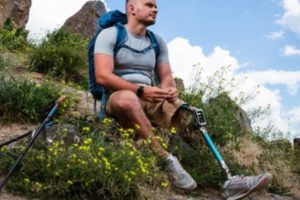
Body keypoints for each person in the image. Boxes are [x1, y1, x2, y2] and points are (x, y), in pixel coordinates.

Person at [94, 0, 272, 197]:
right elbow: (103, 75)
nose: (156, 9)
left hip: (151, 96)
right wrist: (140, 91)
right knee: (126, 99)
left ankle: (228, 178)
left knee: (192, 111)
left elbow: (166, 77)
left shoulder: (156, 41)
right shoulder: (110, 34)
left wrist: (169, 91)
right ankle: (166, 159)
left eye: (156, 6)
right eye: (149, 4)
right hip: (119, 95)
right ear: (132, 8)